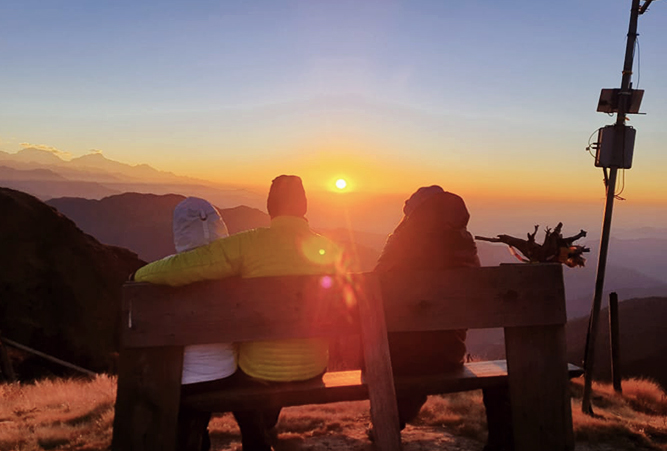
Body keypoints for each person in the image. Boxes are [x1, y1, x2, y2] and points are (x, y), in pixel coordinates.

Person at [134, 175, 345, 451]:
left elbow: (186, 266)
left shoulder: (247, 245)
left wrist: (139, 273)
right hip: (313, 368)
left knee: (244, 373)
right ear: (304, 206)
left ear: (270, 208)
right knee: (252, 384)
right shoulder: (328, 250)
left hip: (258, 371)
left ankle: (248, 437)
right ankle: (261, 435)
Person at [375, 185, 514, 451]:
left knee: (404, 355)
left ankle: (389, 423)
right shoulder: (465, 246)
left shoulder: (403, 243)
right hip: (447, 355)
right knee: (426, 349)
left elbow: (373, 290)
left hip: (398, 360)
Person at [171, 197, 238, 450]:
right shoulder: (240, 273)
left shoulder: (165, 276)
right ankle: (258, 438)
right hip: (230, 372)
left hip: (185, 381)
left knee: (187, 415)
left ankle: (197, 442)